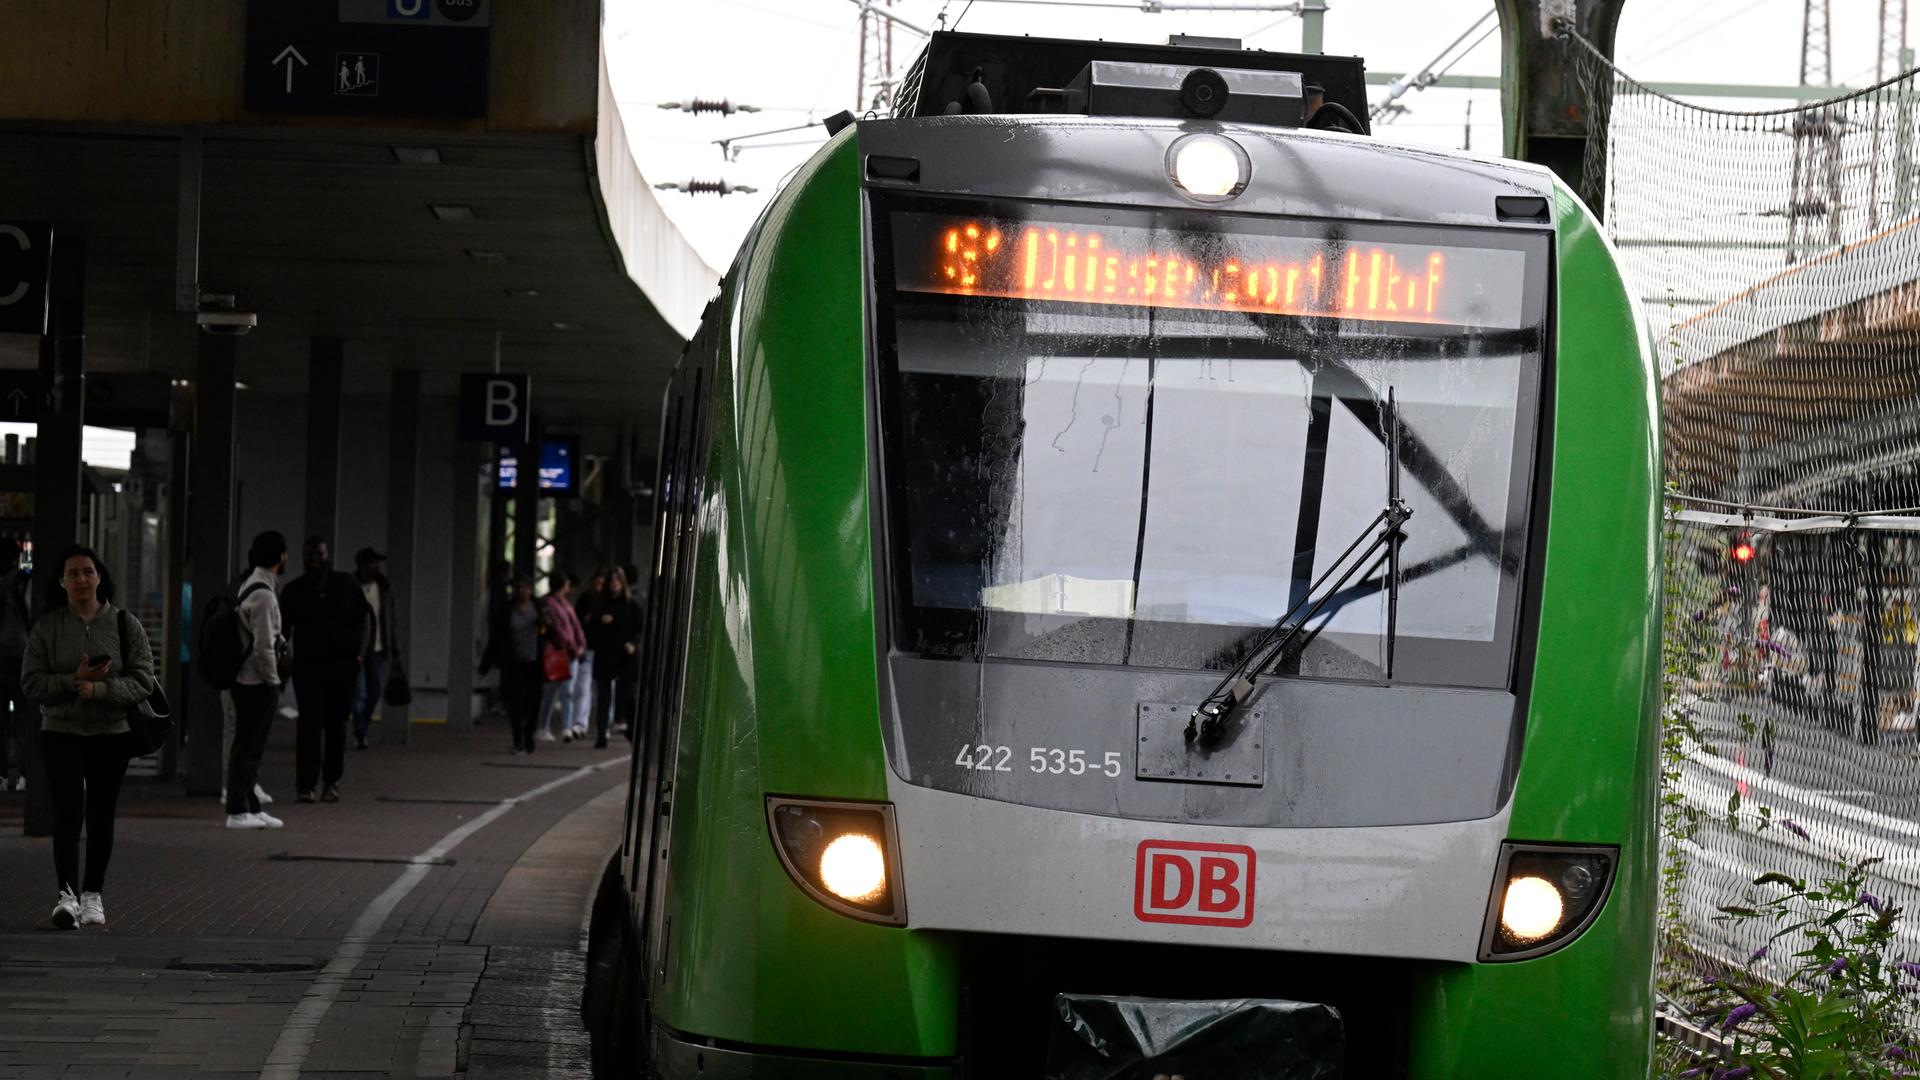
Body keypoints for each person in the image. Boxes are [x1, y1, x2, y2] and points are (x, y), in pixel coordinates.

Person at [20, 545, 156, 929]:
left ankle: (93, 894)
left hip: (111, 733)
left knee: (100, 814)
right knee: (67, 814)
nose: (81, 579)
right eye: (73, 574)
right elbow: (31, 682)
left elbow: (144, 679)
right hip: (61, 731)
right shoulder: (48, 627)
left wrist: (101, 691)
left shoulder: (125, 624)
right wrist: (73, 682)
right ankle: (67, 897)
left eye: (88, 572)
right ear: (61, 582)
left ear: (100, 577)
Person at [280, 537, 371, 803]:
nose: (314, 559)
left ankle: (331, 781)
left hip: (342, 666)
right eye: (309, 554)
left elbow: (365, 620)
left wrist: (359, 658)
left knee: (336, 725)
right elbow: (283, 631)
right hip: (308, 667)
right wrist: (284, 662)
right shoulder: (295, 590)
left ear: (327, 554)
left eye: (319, 553)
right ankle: (306, 784)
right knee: (308, 724)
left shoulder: (346, 585)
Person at [227, 533, 288, 830]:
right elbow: (264, 645)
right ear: (281, 556)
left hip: (249, 679)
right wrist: (273, 680)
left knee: (252, 747)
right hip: (255, 681)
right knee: (247, 747)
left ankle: (251, 805)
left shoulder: (255, 585)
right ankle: (237, 810)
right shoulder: (263, 594)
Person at [583, 568, 642, 750]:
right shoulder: (601, 604)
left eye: (617, 580)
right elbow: (590, 628)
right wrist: (600, 621)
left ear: (623, 582)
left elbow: (640, 627)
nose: (614, 584)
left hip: (625, 655)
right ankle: (602, 734)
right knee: (604, 697)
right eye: (611, 581)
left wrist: (633, 643)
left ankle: (632, 730)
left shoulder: (631, 603)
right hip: (606, 654)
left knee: (629, 696)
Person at [350, 547, 400, 751]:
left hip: (378, 649)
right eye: (373, 563)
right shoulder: (351, 587)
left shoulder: (384, 588)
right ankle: (360, 734)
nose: (376, 567)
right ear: (362, 565)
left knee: (375, 691)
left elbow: (391, 620)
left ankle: (362, 728)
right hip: (356, 649)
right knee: (359, 693)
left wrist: (395, 648)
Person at [536, 573, 585, 742]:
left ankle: (566, 727)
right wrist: (573, 646)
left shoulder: (566, 604)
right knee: (552, 691)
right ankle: (542, 726)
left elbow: (576, 626)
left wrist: (580, 644)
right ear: (561, 585)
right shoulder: (550, 605)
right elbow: (558, 629)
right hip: (558, 652)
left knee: (567, 691)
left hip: (572, 654)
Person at [0, 541, 29, 791]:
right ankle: (18, 770)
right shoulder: (20, 581)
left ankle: (2, 769)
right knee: (23, 714)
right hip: (19, 653)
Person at [503, 577, 543, 753]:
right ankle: (517, 740)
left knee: (534, 701)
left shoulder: (538, 609)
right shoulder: (507, 611)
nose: (521, 591)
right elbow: (498, 636)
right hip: (515, 663)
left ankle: (529, 733)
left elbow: (551, 632)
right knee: (516, 703)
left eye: (525, 587)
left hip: (534, 662)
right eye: (517, 588)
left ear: (531, 590)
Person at [567, 568, 605, 741]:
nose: (598, 587)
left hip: (605, 651)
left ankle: (605, 723)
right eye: (596, 583)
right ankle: (580, 723)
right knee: (583, 687)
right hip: (587, 649)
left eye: (601, 584)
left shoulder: (610, 601)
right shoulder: (584, 599)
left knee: (603, 689)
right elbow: (576, 623)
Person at [476, 559, 512, 721]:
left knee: (491, 657)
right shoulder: (500, 588)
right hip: (498, 630)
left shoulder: (493, 587)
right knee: (497, 660)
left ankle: (482, 676)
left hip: (494, 630)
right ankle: (501, 700)